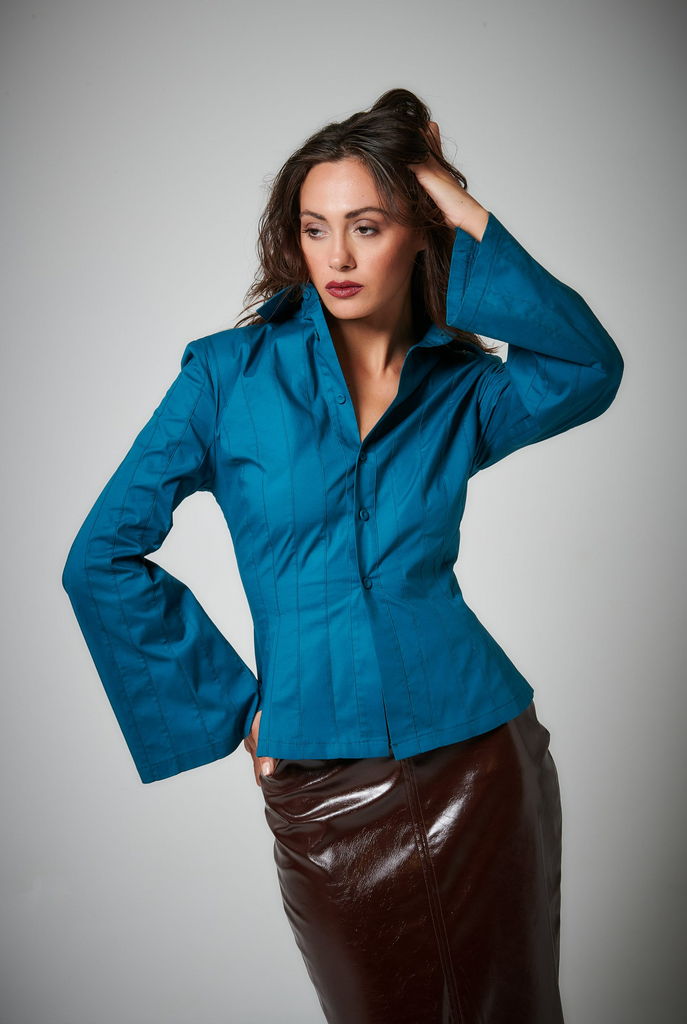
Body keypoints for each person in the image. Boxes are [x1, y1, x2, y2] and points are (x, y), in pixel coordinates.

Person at [62, 88, 624, 1023]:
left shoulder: (463, 389)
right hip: (322, 784)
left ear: (415, 233)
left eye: (367, 226)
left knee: (516, 1008)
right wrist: (238, 710)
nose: (338, 256)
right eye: (315, 229)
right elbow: (99, 557)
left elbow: (588, 368)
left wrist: (452, 195)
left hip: (480, 758)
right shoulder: (226, 377)